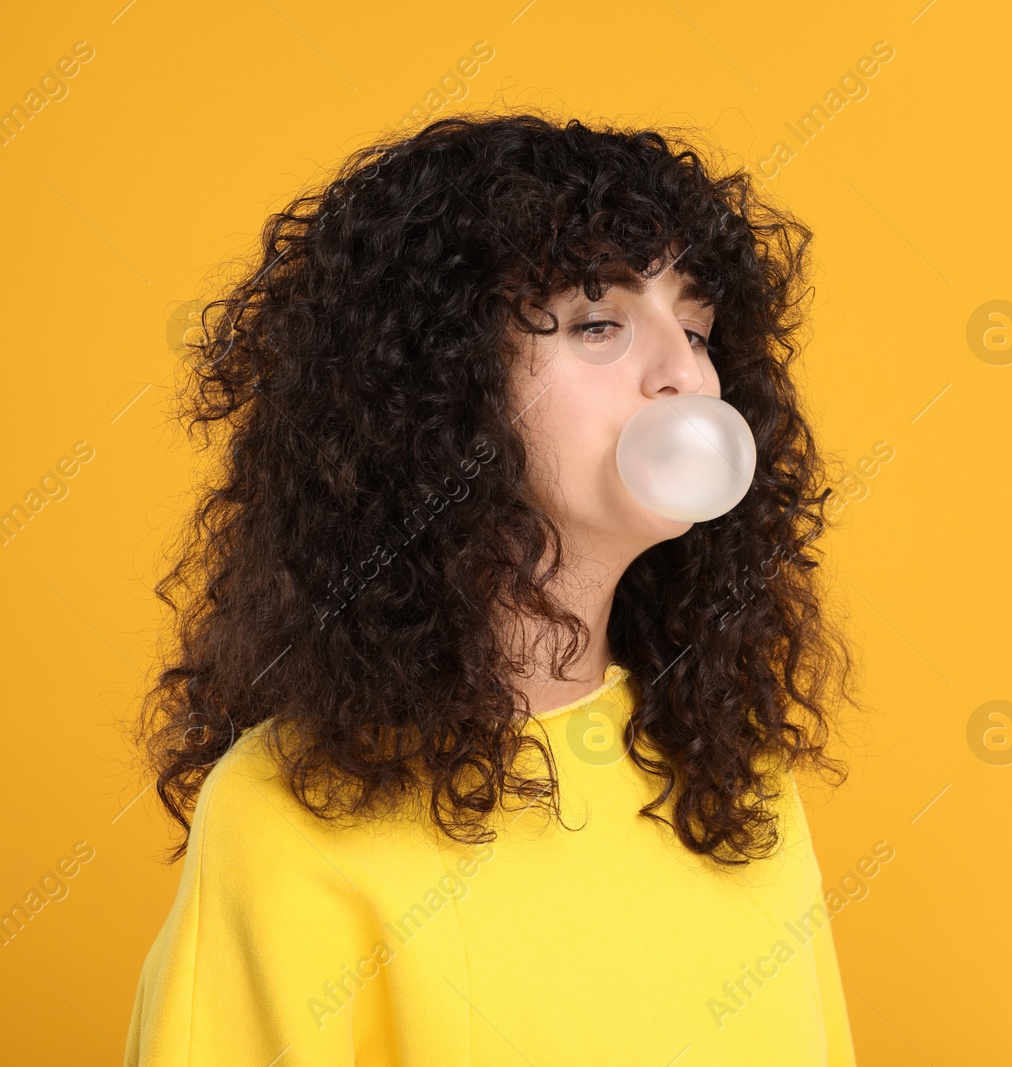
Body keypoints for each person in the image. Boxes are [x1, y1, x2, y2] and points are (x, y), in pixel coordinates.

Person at [124, 111, 862, 1065]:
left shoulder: (731, 776)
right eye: (599, 323)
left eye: (696, 328)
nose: (684, 373)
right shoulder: (281, 816)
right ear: (440, 390)